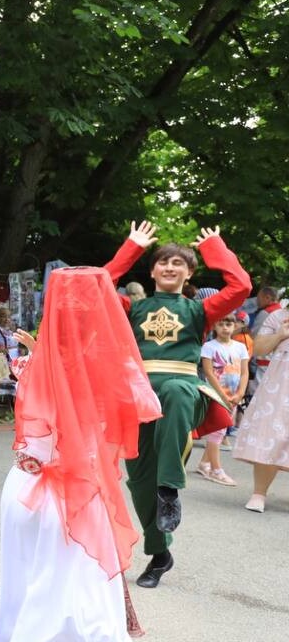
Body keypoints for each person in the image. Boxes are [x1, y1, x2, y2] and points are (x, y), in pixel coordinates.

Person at [0, 266, 159, 642]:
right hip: (76, 492)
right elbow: (132, 416)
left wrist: (33, 362)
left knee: (33, 586)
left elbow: (35, 450)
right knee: (74, 592)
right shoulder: (115, 367)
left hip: (31, 490)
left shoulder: (41, 365)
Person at [103, 221, 249, 588]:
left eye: (178, 263)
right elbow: (95, 286)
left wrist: (214, 246)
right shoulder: (132, 308)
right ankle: (160, 553)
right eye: (163, 262)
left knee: (176, 391)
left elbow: (241, 286)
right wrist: (132, 246)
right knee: (138, 481)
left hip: (183, 394)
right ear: (152, 270)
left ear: (189, 272)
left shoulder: (200, 311)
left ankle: (170, 487)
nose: (170, 267)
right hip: (137, 399)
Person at [233, 307, 289, 513]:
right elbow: (258, 349)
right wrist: (280, 335)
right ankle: (259, 493)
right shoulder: (279, 316)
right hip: (280, 388)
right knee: (270, 434)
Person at [194, 313, 249, 486]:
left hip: (233, 395)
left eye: (229, 324)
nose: (225, 327)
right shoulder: (209, 347)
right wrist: (222, 395)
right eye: (221, 324)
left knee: (221, 429)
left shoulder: (240, 347)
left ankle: (204, 463)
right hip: (216, 394)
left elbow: (244, 372)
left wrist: (240, 392)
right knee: (218, 430)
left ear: (235, 326)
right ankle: (216, 470)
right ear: (215, 327)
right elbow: (209, 373)